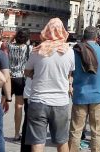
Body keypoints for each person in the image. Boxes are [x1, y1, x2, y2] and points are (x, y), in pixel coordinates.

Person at [23, 18, 75, 152]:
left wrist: (37, 74)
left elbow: (27, 71)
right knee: (62, 141)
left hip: (38, 100)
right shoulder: (69, 51)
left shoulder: (37, 51)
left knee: (37, 141)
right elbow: (69, 72)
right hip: (60, 101)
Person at [68, 26, 100, 152]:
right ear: (96, 38)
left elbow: (69, 70)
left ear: (83, 37)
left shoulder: (75, 51)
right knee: (97, 132)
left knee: (75, 131)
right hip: (99, 96)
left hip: (80, 95)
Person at [7, 28, 32, 142]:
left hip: (9, 77)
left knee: (3, 103)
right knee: (18, 106)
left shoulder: (9, 46)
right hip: (21, 78)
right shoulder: (28, 48)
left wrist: (14, 37)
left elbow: (7, 42)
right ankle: (17, 134)